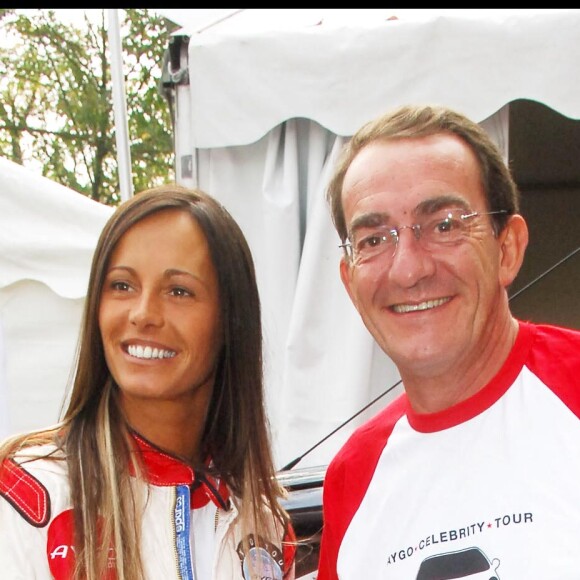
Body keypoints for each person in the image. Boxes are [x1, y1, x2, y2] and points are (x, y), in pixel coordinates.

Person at [317, 104, 580, 578]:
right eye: (374, 240)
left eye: (444, 226)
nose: (409, 269)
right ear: (349, 281)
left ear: (507, 249)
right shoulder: (351, 477)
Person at [0, 185, 296, 579]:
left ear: (229, 320)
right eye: (122, 285)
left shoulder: (265, 528)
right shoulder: (30, 494)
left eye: (179, 291)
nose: (143, 314)